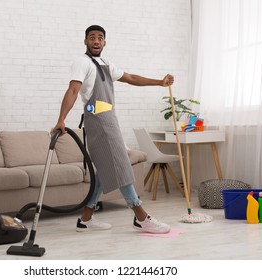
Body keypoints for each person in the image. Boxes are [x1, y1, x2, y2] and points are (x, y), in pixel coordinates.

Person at [52, 25, 174, 234]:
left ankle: (86, 219)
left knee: (105, 169)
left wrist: (159, 83)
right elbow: (73, 90)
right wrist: (61, 119)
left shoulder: (106, 64)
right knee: (119, 164)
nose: (96, 41)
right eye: (92, 37)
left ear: (105, 42)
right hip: (98, 121)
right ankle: (141, 216)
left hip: (110, 118)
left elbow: (131, 78)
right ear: (85, 41)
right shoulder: (82, 63)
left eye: (100, 38)